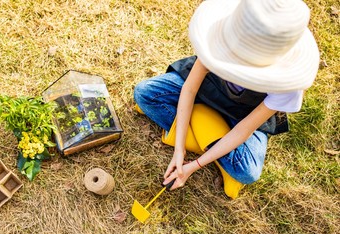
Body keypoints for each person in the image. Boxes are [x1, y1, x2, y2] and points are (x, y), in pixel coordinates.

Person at [133, 0, 319, 198]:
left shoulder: (287, 85)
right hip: (206, 91)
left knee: (248, 171)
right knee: (145, 93)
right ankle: (210, 139)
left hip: (242, 116)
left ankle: (198, 129)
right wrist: (179, 150)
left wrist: (194, 166)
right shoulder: (217, 38)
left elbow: (243, 129)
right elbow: (189, 89)